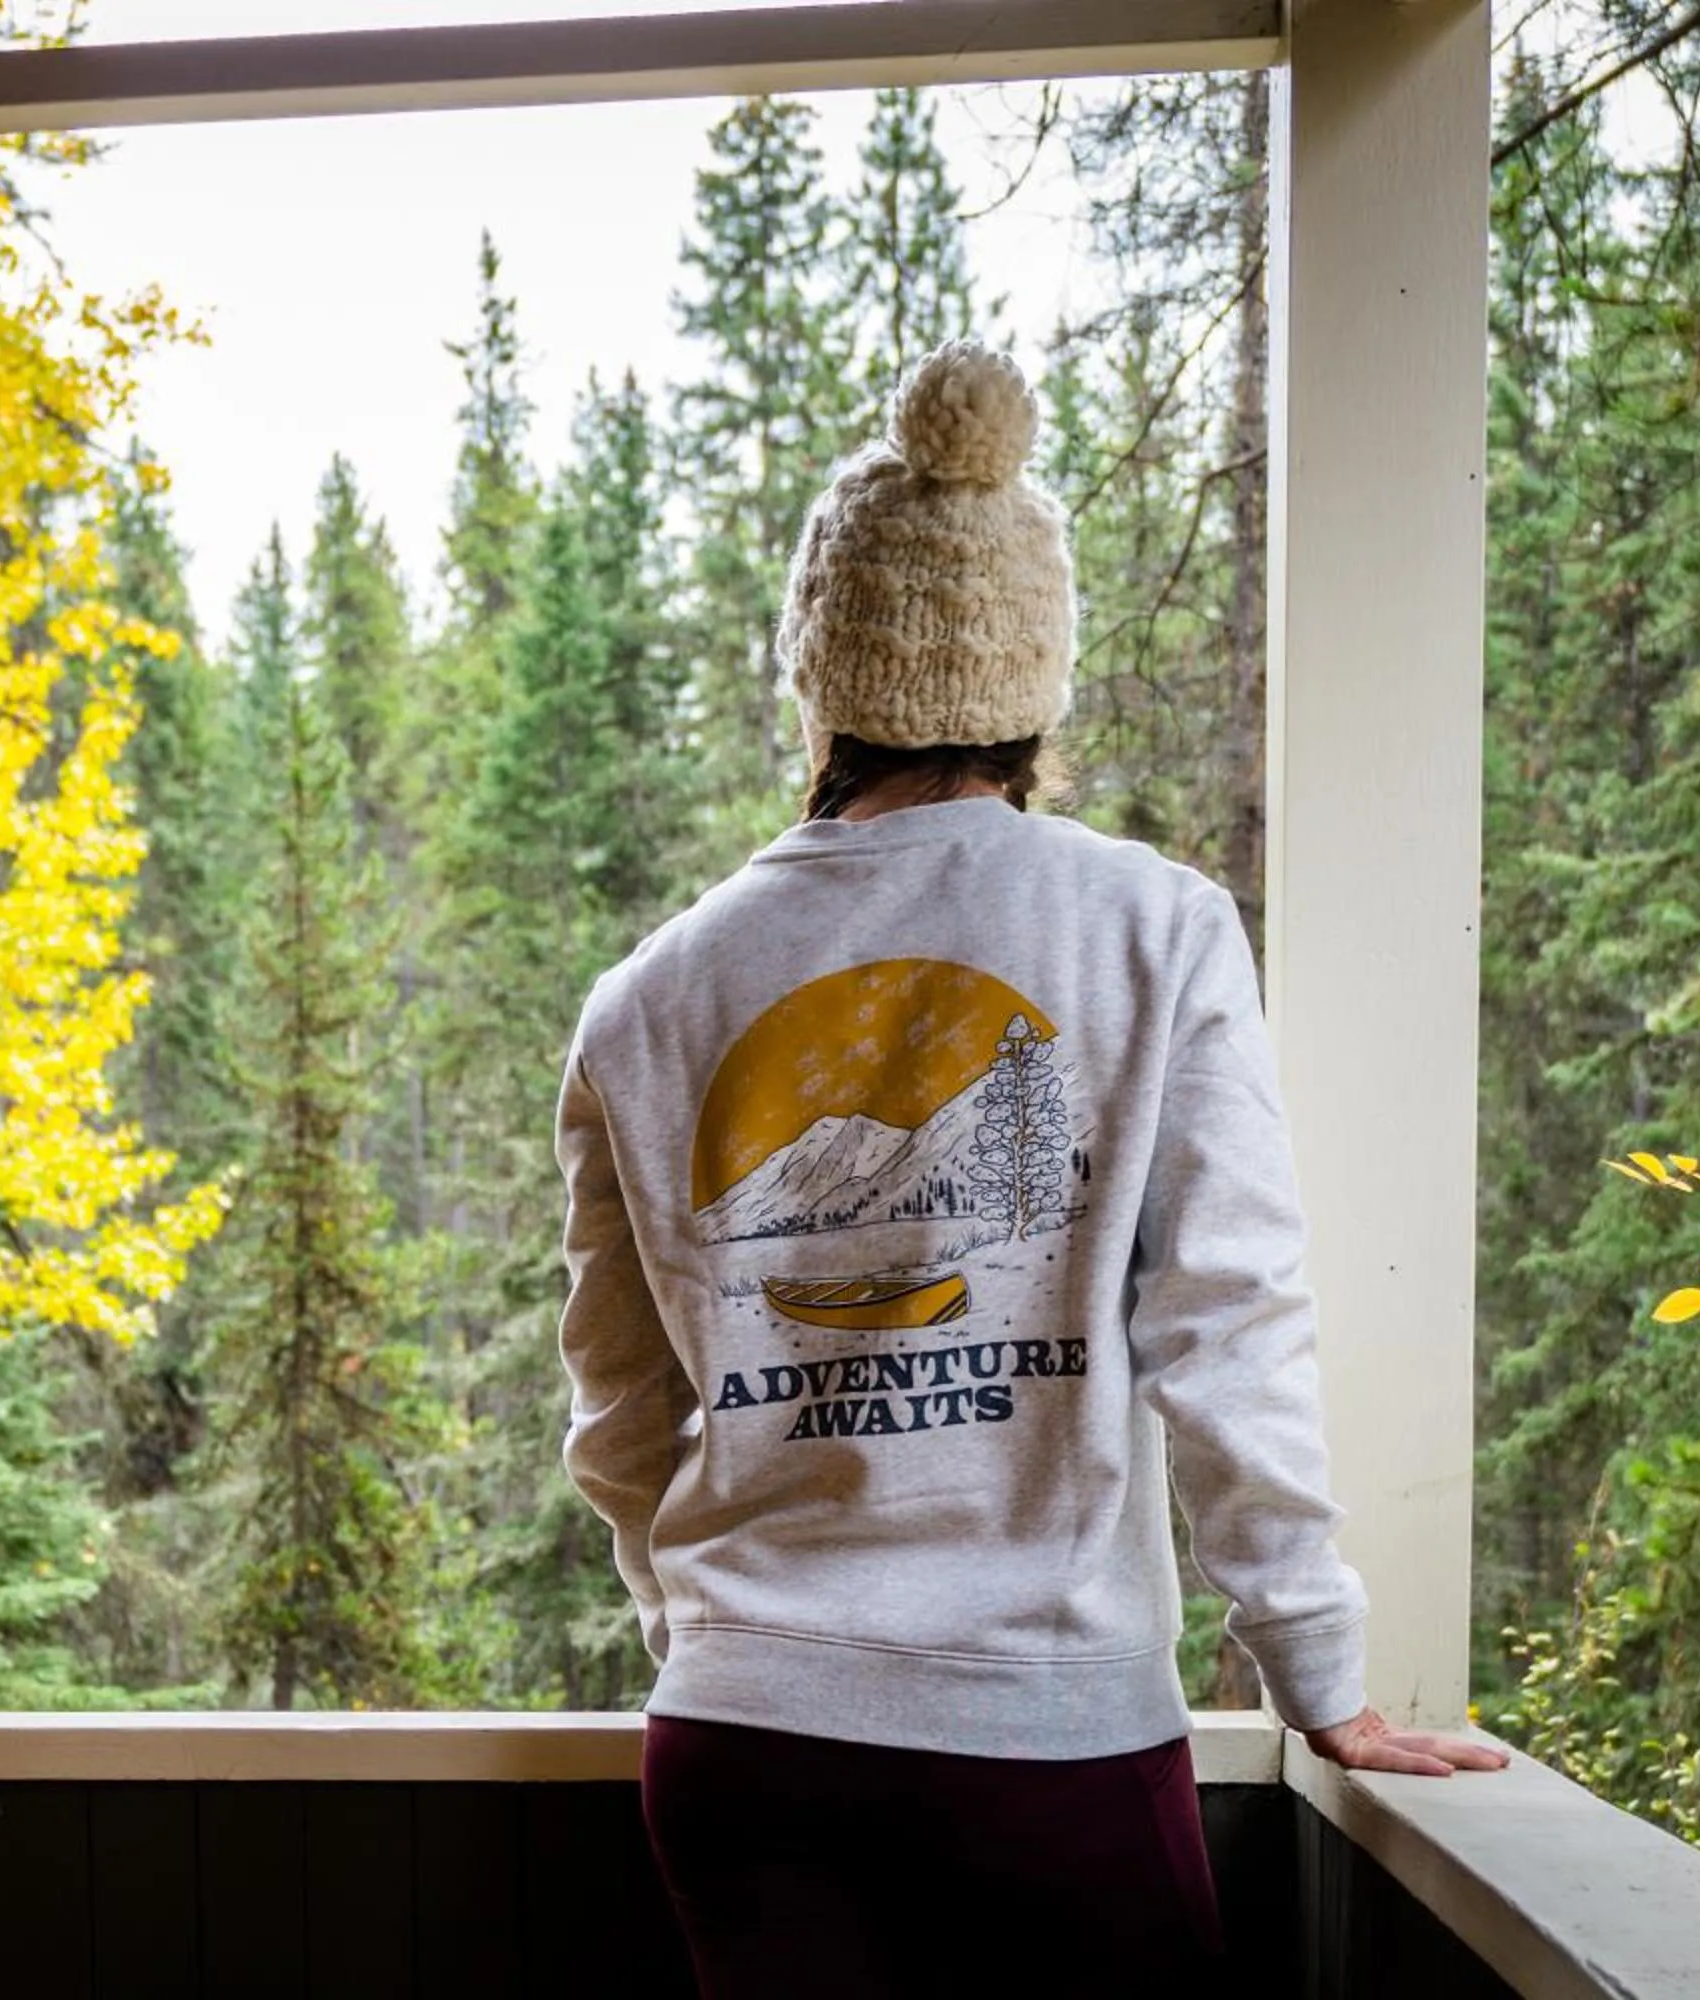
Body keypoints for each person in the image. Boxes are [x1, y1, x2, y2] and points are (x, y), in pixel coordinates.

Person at [553, 340, 1505, 1996]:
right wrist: (1318, 1667)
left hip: (742, 1751)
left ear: (821, 677)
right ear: (1034, 683)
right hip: (1043, 1741)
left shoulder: (650, 995)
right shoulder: (1152, 928)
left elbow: (622, 1417)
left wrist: (714, 1632)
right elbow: (1229, 1317)